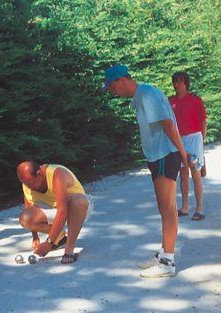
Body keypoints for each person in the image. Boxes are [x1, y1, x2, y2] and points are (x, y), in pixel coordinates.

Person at [103, 65, 188, 278]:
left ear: (122, 79)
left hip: (164, 155)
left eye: (112, 87)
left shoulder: (147, 94)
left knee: (168, 208)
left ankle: (168, 261)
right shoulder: (141, 96)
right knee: (164, 207)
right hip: (157, 156)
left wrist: (183, 153)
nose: (113, 92)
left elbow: (168, 125)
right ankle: (163, 253)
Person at [17, 161, 94, 264]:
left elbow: (63, 211)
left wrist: (49, 243)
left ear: (39, 174)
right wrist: (35, 237)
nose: (29, 187)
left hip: (80, 209)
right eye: (26, 184)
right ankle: (60, 238)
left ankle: (69, 249)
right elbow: (29, 208)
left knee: (78, 200)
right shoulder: (27, 183)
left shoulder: (57, 174)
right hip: (56, 210)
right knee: (25, 217)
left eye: (31, 183)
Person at [169, 71, 207, 221]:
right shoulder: (170, 101)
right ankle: (184, 207)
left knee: (196, 173)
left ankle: (199, 209)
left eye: (179, 81)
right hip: (178, 140)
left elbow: (203, 121)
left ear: (186, 83)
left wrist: (201, 142)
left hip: (194, 138)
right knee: (183, 174)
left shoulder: (196, 100)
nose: (176, 84)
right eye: (174, 81)